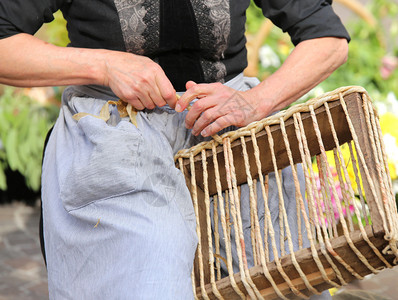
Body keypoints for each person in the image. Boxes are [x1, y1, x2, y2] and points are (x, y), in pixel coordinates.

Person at [0, 0, 349, 299]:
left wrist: (256, 102)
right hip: (116, 134)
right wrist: (104, 65)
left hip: (229, 134)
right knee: (152, 264)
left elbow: (327, 39)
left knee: (280, 272)